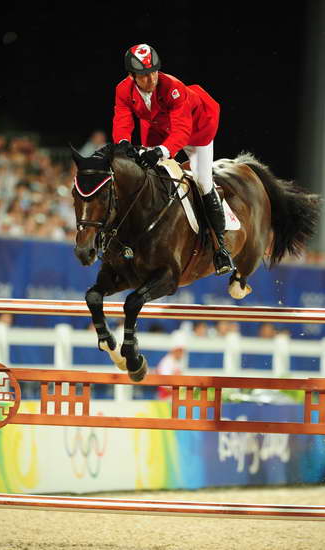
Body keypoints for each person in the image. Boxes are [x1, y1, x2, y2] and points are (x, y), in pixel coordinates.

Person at [112, 43, 235, 276]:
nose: (151, 79)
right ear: (131, 76)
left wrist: (160, 152)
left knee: (202, 181)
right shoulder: (123, 89)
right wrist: (123, 143)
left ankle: (220, 248)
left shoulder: (173, 88)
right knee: (146, 175)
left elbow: (181, 131)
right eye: (144, 75)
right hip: (159, 128)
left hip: (197, 130)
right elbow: (123, 119)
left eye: (153, 72)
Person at [156, 330, 186, 399]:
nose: (181, 353)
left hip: (175, 397)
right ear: (174, 350)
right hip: (165, 398)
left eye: (182, 351)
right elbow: (165, 386)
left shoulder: (179, 362)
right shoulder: (166, 362)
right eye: (180, 350)